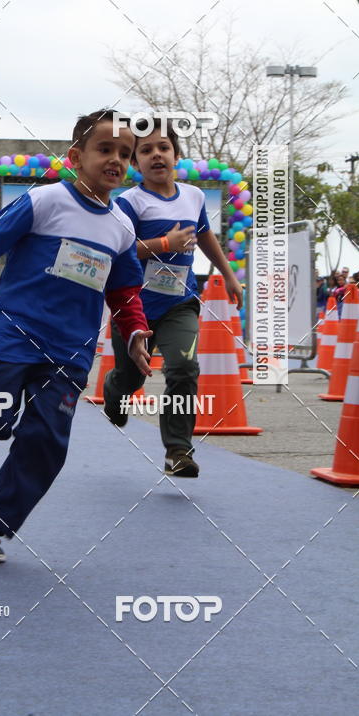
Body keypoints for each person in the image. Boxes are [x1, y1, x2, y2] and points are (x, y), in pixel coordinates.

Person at [0, 110, 152, 564]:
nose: (117, 160)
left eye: (126, 154)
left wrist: (135, 330)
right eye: (106, 150)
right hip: (14, 335)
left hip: (70, 352)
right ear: (77, 156)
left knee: (45, 441)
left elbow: (125, 289)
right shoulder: (44, 201)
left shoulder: (121, 228)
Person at [103, 117, 243, 478]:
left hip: (180, 303)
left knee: (183, 368)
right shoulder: (129, 203)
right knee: (131, 378)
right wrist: (165, 244)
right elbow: (121, 252)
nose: (156, 155)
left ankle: (178, 450)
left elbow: (206, 236)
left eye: (163, 147)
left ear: (176, 154)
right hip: (134, 307)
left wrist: (228, 276)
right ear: (135, 164)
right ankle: (115, 391)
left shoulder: (194, 196)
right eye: (145, 150)